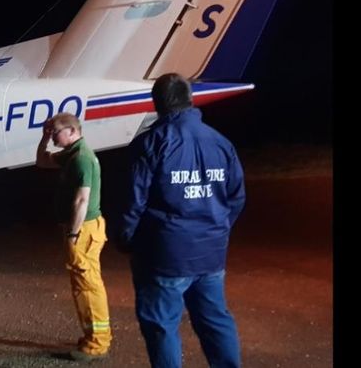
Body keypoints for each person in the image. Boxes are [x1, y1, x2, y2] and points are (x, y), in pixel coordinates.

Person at [119, 73, 247, 368]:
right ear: (191, 100)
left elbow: (133, 201)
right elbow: (236, 197)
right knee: (215, 320)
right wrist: (218, 228)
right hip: (211, 254)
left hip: (165, 255)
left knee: (161, 324)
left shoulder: (150, 144)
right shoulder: (220, 143)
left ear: (157, 104)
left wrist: (126, 237)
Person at [35, 112, 112, 362]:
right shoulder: (71, 154)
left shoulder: (81, 159)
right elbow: (42, 162)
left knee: (88, 286)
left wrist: (73, 234)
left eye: (55, 131)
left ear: (71, 131)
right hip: (82, 228)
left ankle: (97, 343)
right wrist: (44, 138)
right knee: (82, 285)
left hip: (84, 229)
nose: (53, 135)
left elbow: (82, 200)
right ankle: (93, 337)